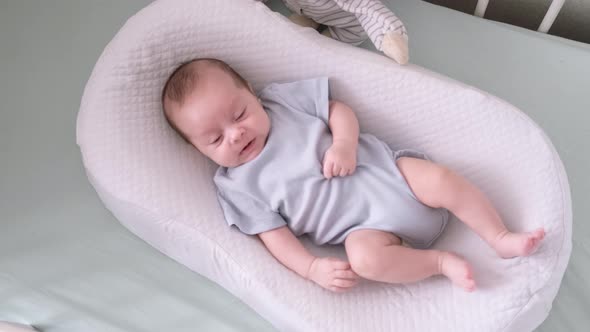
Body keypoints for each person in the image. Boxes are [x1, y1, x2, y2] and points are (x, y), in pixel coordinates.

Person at [161, 58, 545, 293]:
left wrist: (344, 144)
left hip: (390, 175)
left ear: (252, 93)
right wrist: (311, 268)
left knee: (443, 179)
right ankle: (440, 264)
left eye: (240, 114)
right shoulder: (236, 187)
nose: (236, 133)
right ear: (198, 150)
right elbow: (274, 238)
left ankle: (498, 236)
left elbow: (337, 109)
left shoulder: (281, 102)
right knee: (365, 262)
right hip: (363, 230)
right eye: (215, 139)